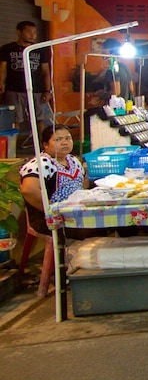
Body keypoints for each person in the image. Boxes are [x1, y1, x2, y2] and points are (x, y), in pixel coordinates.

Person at [19, 125, 94, 297]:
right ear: (45, 145)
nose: (65, 143)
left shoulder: (73, 160)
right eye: (58, 139)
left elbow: (83, 183)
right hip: (49, 218)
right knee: (95, 228)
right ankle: (64, 275)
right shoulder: (41, 163)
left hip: (75, 211)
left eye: (67, 138)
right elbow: (28, 190)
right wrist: (51, 210)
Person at [0, 21, 53, 134]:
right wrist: (1, 83)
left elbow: (46, 71)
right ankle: (13, 148)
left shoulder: (39, 49)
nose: (32, 35)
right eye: (29, 31)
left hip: (37, 90)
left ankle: (42, 147)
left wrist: (47, 90)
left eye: (34, 32)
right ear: (19, 32)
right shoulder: (7, 48)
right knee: (15, 119)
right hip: (14, 89)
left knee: (40, 119)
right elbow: (3, 68)